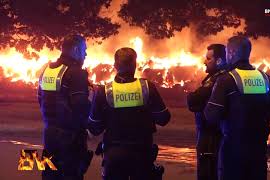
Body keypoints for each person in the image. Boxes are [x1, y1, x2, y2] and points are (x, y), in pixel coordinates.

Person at [204, 36, 270, 180]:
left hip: (233, 151)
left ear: (231, 54)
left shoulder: (227, 80)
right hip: (258, 151)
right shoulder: (265, 78)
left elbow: (211, 115)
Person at [88, 47, 171, 180]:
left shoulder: (104, 91)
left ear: (115, 66)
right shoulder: (146, 87)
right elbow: (164, 118)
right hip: (142, 154)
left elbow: (94, 127)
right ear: (135, 65)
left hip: (114, 155)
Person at [38, 35, 93, 180]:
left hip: (48, 135)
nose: (85, 54)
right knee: (72, 174)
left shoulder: (46, 70)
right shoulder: (77, 73)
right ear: (75, 50)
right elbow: (80, 105)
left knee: (49, 174)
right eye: (84, 50)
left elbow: (40, 100)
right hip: (71, 138)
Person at [187, 44, 227, 180]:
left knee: (208, 172)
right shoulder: (220, 77)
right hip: (213, 134)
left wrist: (192, 96)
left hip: (211, 137)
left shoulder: (218, 79)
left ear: (220, 60)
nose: (205, 61)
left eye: (209, 59)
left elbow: (194, 100)